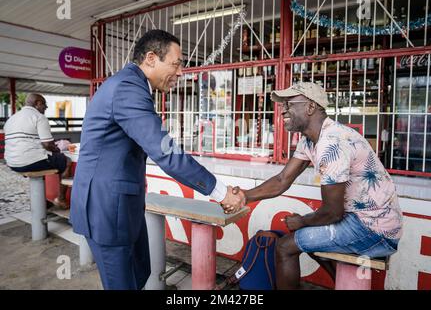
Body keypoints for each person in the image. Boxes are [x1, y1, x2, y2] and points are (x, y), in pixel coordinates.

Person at [70, 30, 245, 290]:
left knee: (141, 273)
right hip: (106, 208)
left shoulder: (131, 85)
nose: (180, 72)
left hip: (123, 204)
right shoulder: (127, 89)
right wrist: (220, 192)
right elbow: (165, 151)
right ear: (151, 58)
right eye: (175, 64)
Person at [227, 82, 403, 289]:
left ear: (311, 107)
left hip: (374, 230)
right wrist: (245, 196)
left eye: (289, 103)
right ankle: (341, 284)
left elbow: (332, 213)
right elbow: (282, 180)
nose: (283, 109)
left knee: (285, 246)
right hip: (359, 221)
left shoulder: (332, 144)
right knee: (307, 238)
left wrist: (301, 221)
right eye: (283, 104)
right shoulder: (310, 140)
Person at [4, 93, 72, 208]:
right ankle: (60, 199)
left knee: (43, 159)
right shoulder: (39, 117)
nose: (46, 108)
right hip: (29, 162)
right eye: (44, 105)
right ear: (38, 103)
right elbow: (47, 145)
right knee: (66, 161)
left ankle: (42, 202)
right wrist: (59, 149)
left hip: (12, 162)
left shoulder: (12, 118)